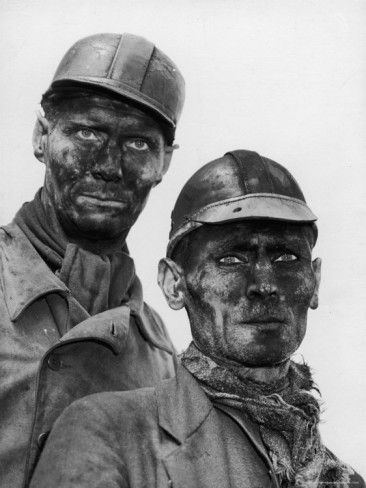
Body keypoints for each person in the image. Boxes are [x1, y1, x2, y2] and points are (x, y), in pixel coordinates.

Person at [30, 150, 364, 488]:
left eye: (286, 257)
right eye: (232, 259)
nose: (264, 284)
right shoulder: (105, 433)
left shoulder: (340, 479)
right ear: (174, 284)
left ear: (315, 280)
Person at [0, 33, 185, 487]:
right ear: (42, 137)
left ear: (164, 164)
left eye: (139, 144)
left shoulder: (162, 354)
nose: (108, 164)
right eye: (86, 132)